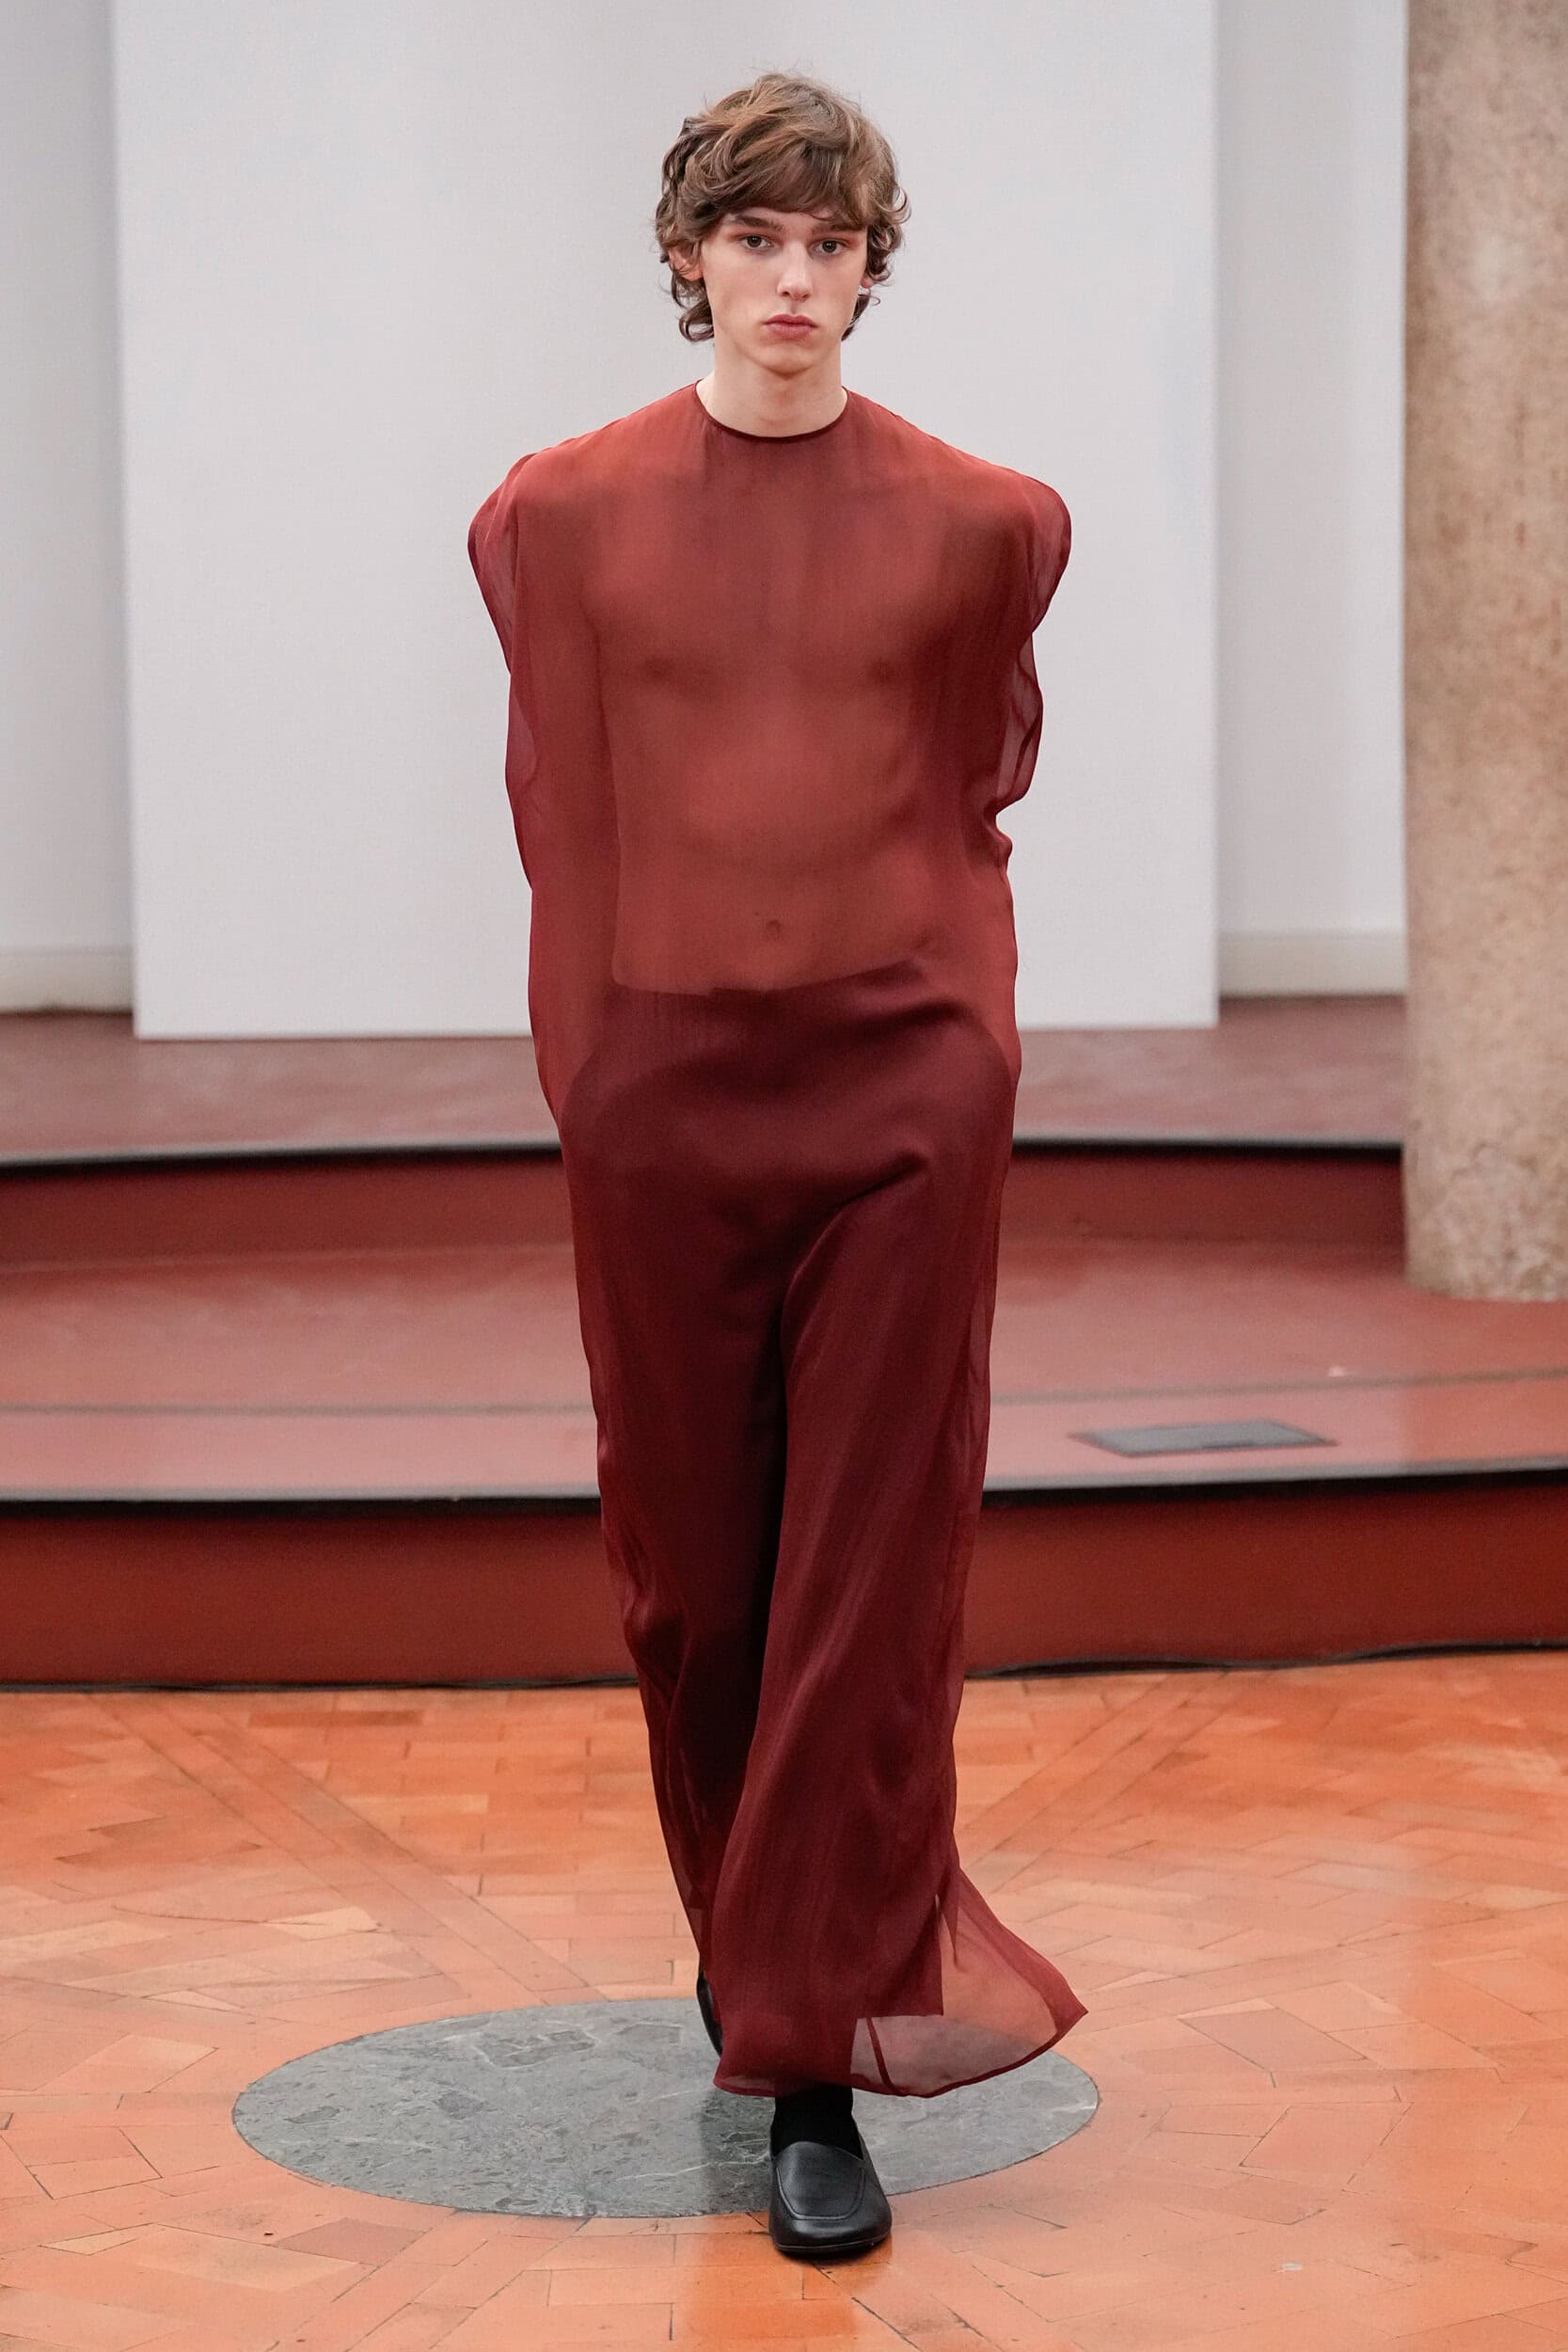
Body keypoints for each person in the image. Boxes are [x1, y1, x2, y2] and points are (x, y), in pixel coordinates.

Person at [467, 69, 1085, 2261]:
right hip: (663, 1103)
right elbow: (561, 803)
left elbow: (973, 787)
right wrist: (604, 1077)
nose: (795, 280)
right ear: (691, 257)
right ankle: (754, 1942)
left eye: (831, 244)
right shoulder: (554, 516)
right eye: (758, 240)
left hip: (901, 1099)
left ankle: (811, 2058)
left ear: (870, 266)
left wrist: (968, 1050)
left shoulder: (988, 523)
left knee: (865, 1576)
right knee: (695, 1577)